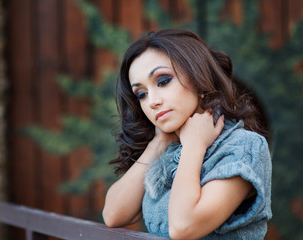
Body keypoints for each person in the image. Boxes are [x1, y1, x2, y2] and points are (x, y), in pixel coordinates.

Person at [102, 29, 272, 240]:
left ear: (198, 76)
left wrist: (195, 146)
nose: (152, 101)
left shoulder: (244, 147)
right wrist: (158, 143)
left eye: (163, 81)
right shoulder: (168, 149)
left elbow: (183, 227)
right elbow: (112, 215)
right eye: (142, 94)